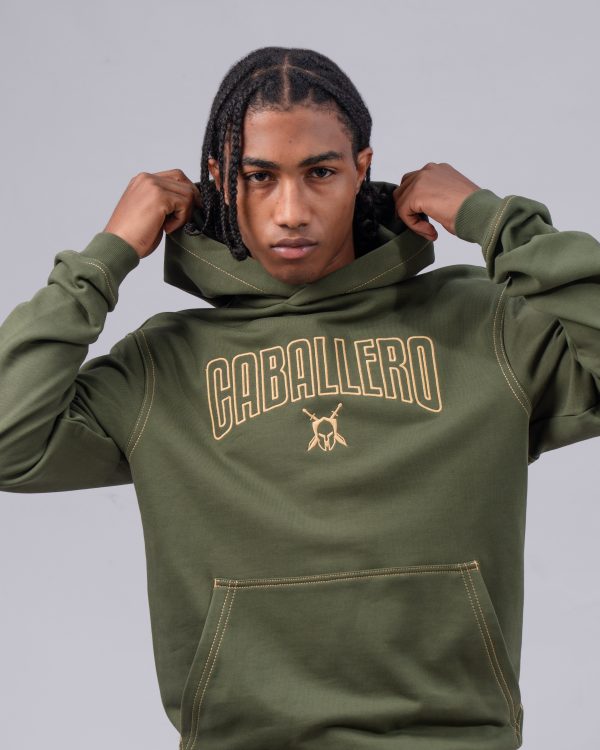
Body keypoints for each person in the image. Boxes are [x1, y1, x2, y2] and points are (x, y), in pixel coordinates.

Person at [1, 45, 599, 750]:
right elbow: (11, 441)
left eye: (320, 172)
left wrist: (494, 221)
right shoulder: (162, 366)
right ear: (220, 179)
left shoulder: (485, 327)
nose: (291, 212)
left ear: (361, 170)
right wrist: (106, 255)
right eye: (259, 177)